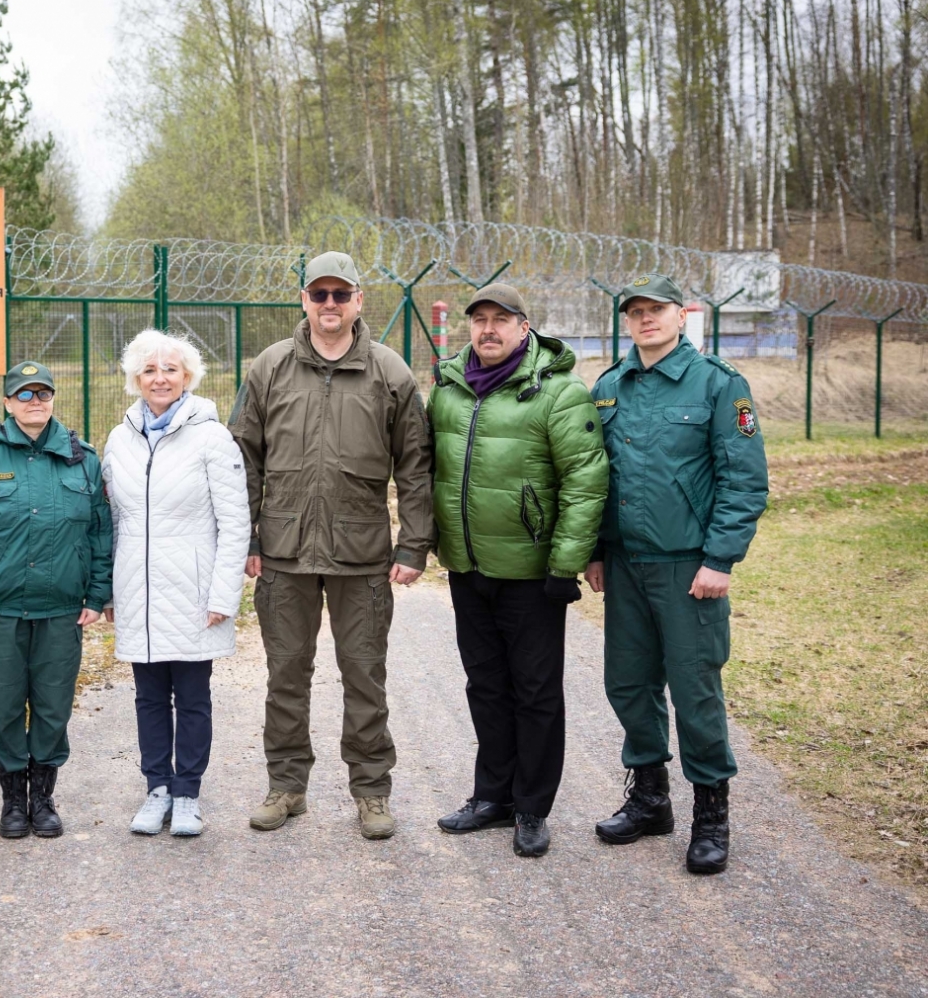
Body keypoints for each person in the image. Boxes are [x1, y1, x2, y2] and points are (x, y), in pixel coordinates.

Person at [234, 251, 436, 840]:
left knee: (365, 676)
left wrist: (412, 545)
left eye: (340, 295)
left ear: (357, 301)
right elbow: (242, 458)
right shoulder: (270, 368)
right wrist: (246, 537)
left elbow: (416, 467)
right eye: (319, 295)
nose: (329, 305)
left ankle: (372, 792)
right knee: (286, 675)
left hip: (362, 553)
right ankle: (286, 786)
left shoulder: (389, 372)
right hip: (284, 550)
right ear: (304, 300)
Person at [585, 273, 768, 875]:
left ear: (681, 315)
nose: (645, 319)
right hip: (626, 563)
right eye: (634, 310)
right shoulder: (610, 386)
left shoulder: (718, 384)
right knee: (628, 683)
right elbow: (594, 478)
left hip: (689, 566)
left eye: (656, 309)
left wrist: (720, 559)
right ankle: (650, 799)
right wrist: (594, 550)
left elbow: (743, 478)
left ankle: (710, 814)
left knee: (694, 690)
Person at [426, 285, 608, 857]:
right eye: (478, 320)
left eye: (500, 320)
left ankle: (531, 807)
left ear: (524, 327)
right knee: (485, 686)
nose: (488, 330)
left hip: (532, 574)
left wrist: (565, 564)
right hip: (468, 566)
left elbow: (585, 479)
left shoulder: (557, 393)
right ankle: (492, 797)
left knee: (534, 692)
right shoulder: (450, 391)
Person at [0, 362, 112, 838]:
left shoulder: (84, 460)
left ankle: (44, 798)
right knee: (8, 705)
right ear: (8, 403)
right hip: (1, 609)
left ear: (54, 399)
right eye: (24, 394)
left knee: (54, 707)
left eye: (44, 393)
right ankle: (13, 802)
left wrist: (98, 594)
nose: (35, 402)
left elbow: (101, 534)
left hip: (61, 610)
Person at [101, 330, 249, 838]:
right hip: (138, 592)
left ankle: (187, 793)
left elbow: (235, 523)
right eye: (149, 370)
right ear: (135, 379)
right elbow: (114, 521)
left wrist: (223, 595)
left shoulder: (211, 437)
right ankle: (156, 788)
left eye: (170, 369)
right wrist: (112, 589)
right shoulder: (119, 440)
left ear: (187, 377)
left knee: (191, 696)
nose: (159, 378)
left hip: (193, 593)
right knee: (147, 697)